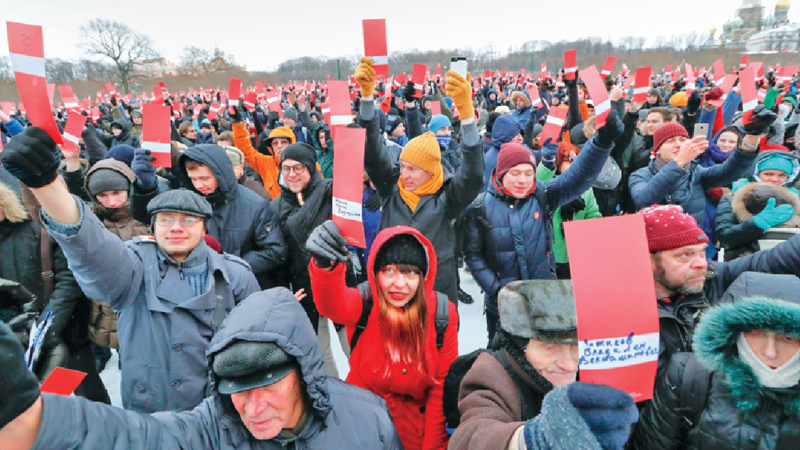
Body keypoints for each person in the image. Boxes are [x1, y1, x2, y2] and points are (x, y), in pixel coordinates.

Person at [0, 126, 261, 413]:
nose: (176, 227)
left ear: (203, 227)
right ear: (153, 226)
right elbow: (92, 248)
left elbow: (252, 344)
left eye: (188, 220)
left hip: (215, 409)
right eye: (166, 219)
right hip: (151, 414)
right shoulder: (135, 267)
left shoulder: (235, 275)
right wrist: (46, 185)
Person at [0, 288, 403, 449]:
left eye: (268, 386)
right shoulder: (214, 427)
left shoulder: (369, 418)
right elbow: (140, 437)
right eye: (238, 390)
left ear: (302, 372)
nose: (253, 408)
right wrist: (31, 416)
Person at [463, 112, 623, 344]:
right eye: (515, 174)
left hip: (543, 298)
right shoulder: (480, 207)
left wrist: (601, 142)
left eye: (528, 173)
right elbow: (473, 255)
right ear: (500, 173)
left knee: (542, 356)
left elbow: (579, 177)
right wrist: (497, 290)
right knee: (502, 358)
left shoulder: (543, 195)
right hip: (502, 304)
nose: (522, 180)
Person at [307, 221, 458, 450]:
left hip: (416, 433)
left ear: (423, 276)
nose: (399, 284)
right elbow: (331, 305)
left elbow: (440, 390)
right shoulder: (366, 302)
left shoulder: (442, 315)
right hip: (362, 425)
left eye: (410, 273)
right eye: (389, 271)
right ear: (375, 273)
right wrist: (324, 266)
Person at [449, 280, 638, 450]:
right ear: (518, 346)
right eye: (549, 347)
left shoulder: (593, 368)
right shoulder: (492, 375)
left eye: (575, 346)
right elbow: (471, 436)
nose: (569, 365)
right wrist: (530, 440)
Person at [354, 57, 484, 302]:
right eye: (402, 166)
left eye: (413, 169)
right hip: (394, 295)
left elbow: (474, 175)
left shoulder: (447, 197)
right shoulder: (392, 189)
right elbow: (371, 152)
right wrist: (368, 98)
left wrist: (467, 117)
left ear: (430, 172)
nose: (404, 174)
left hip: (436, 298)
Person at [631, 272, 800, 448]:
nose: (770, 352)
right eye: (756, 334)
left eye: (788, 338)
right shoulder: (688, 378)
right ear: (735, 334)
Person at [640, 203, 800, 376]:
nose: (702, 263)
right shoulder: (622, 310)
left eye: (702, 253)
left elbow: (774, 260)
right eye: (685, 255)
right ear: (649, 260)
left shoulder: (714, 278)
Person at [132, 143, 287, 290]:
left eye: (204, 178)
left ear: (221, 174)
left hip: (237, 286)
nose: (198, 185)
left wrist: (230, 267)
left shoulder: (255, 205)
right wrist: (146, 188)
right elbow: (148, 217)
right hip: (191, 285)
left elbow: (275, 250)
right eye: (193, 179)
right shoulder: (188, 199)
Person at [629, 105, 776, 235]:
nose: (678, 144)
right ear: (657, 150)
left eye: (682, 140)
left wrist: (752, 137)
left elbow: (730, 170)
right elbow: (645, 198)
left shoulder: (696, 171)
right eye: (670, 141)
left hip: (691, 242)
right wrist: (679, 161)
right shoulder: (640, 175)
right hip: (655, 243)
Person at [716, 150, 800, 261]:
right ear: (756, 174)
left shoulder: (796, 199)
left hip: (786, 263)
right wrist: (759, 222)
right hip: (744, 263)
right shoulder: (731, 197)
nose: (775, 179)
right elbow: (725, 238)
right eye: (768, 174)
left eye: (782, 175)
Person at [535, 142, 602, 279]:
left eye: (577, 159)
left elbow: (594, 215)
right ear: (558, 162)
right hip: (547, 257)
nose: (574, 163)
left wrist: (582, 229)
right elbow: (537, 182)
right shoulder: (548, 187)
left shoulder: (585, 188)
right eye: (569, 160)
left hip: (576, 255)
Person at [232, 107, 295, 198]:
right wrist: (238, 125)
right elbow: (246, 151)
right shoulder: (266, 163)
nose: (279, 145)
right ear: (271, 147)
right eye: (275, 143)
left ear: (291, 143)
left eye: (284, 142)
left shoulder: (305, 162)